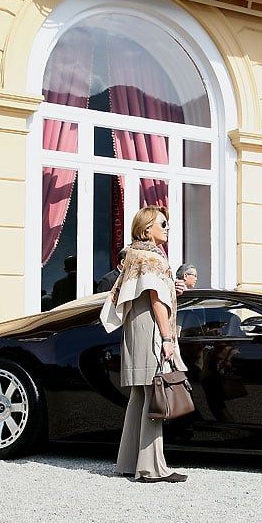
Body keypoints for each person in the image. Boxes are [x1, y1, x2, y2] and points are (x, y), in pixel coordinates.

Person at [99, 205, 188, 483]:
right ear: (147, 228)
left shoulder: (134, 254)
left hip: (135, 330)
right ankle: (151, 468)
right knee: (155, 397)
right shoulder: (152, 256)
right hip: (150, 329)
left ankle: (128, 463)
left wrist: (173, 286)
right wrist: (166, 337)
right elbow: (156, 298)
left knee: (139, 398)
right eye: (163, 224)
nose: (167, 228)